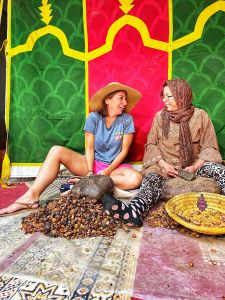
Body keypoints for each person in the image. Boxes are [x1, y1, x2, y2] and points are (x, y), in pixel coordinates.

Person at [0, 82, 143, 215]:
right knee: (56, 150)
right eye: (121, 98)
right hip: (91, 164)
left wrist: (107, 171)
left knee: (135, 178)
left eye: (125, 99)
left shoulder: (126, 120)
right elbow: (89, 147)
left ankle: (84, 183)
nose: (125, 103)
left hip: (114, 167)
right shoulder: (93, 117)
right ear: (108, 100)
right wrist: (89, 171)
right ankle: (32, 197)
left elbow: (124, 151)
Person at [102, 78, 225, 227]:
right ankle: (133, 211)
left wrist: (194, 167)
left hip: (194, 166)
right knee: (152, 179)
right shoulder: (160, 117)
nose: (164, 100)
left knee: (218, 170)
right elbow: (151, 145)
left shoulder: (200, 116)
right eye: (163, 96)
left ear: (182, 96)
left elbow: (209, 147)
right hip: (165, 167)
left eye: (169, 96)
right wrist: (163, 164)